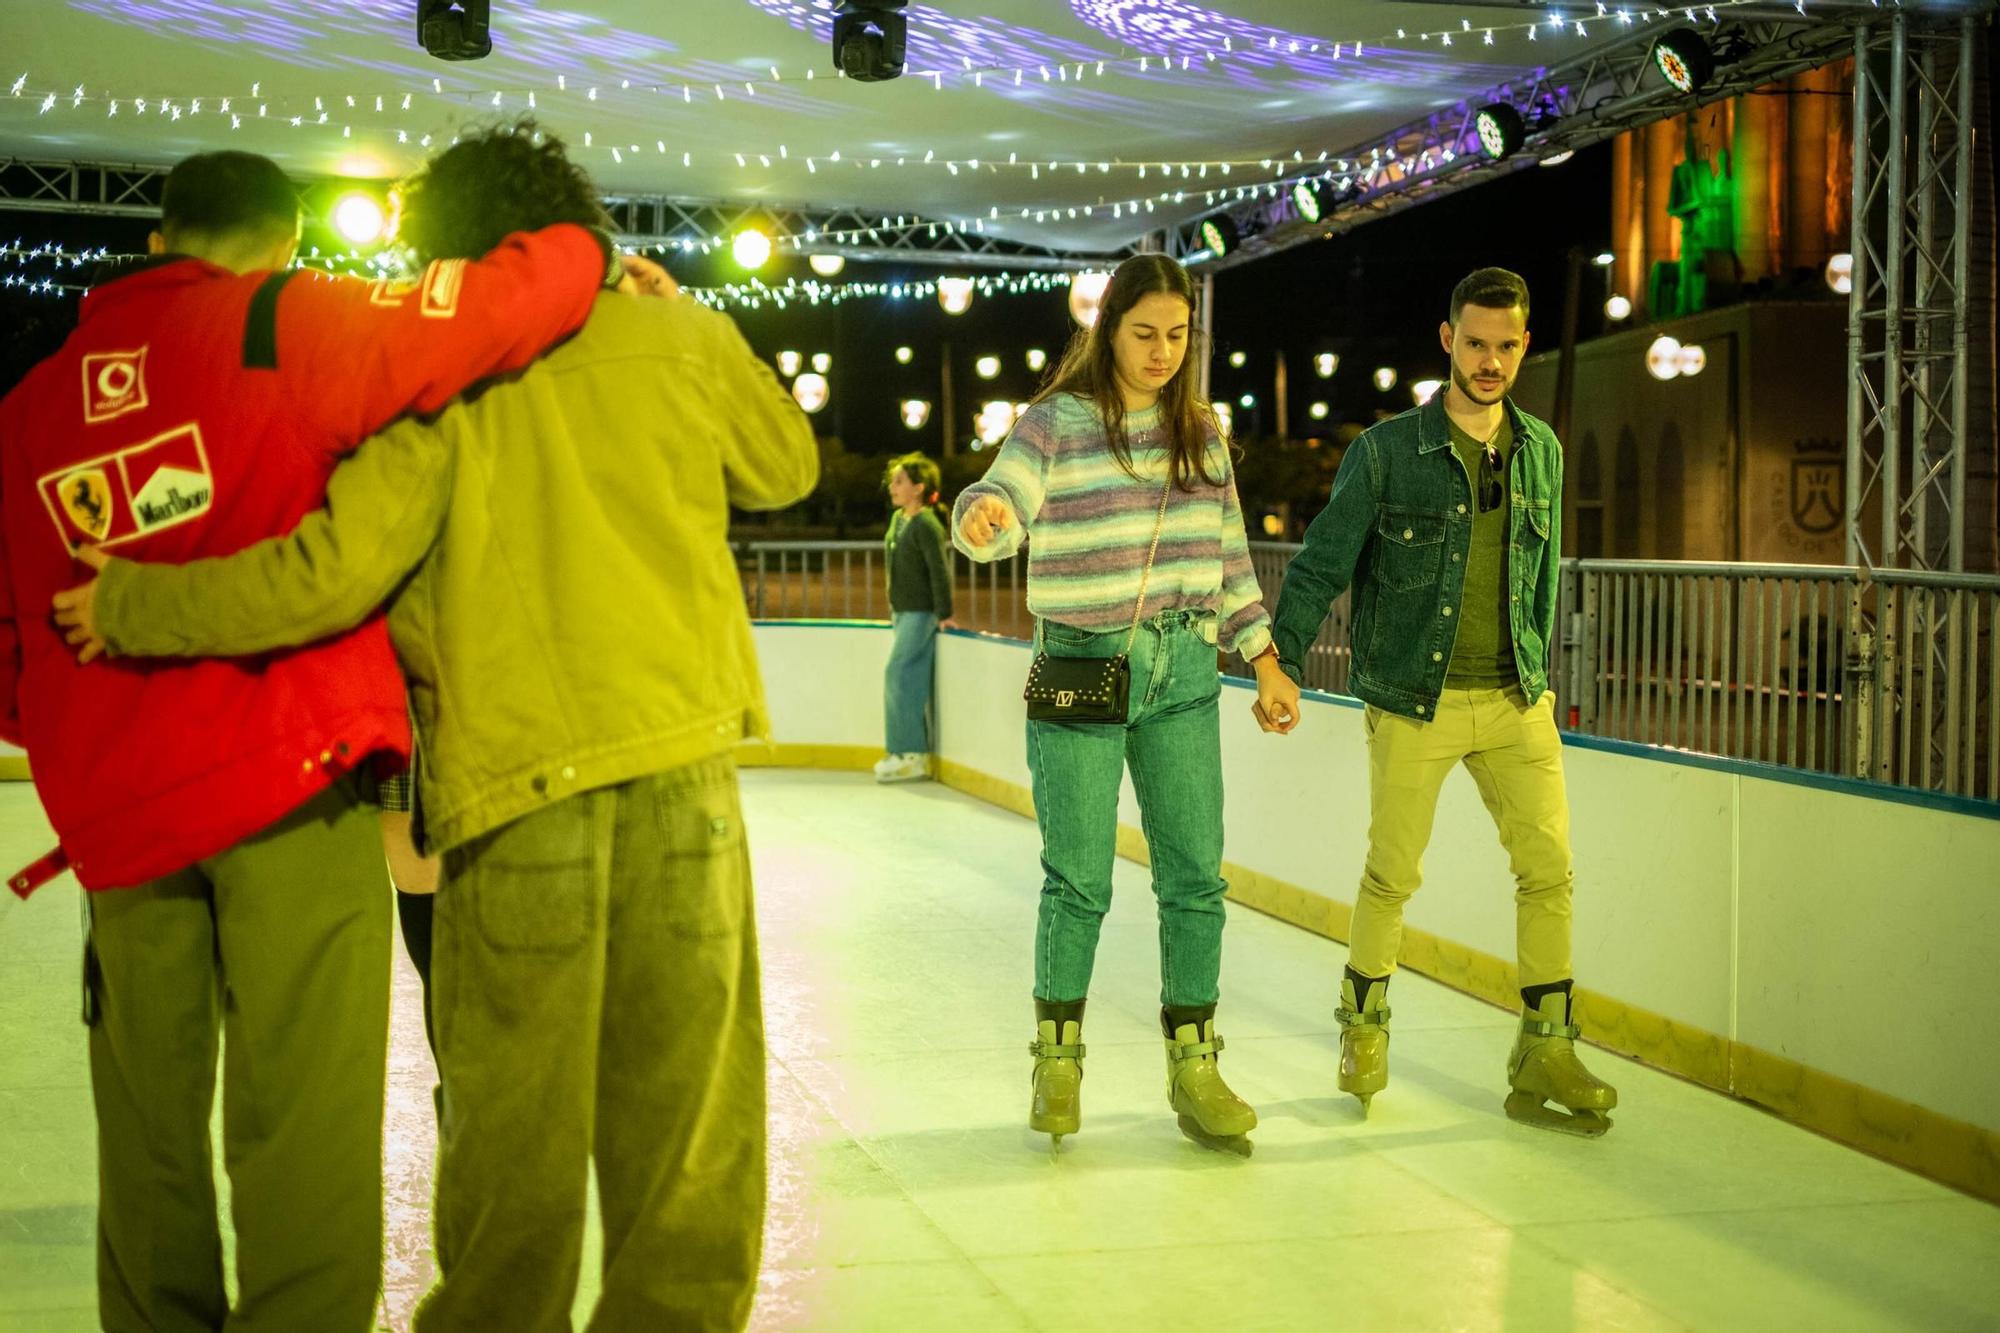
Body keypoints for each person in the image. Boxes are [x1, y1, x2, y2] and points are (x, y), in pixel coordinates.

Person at [59, 123, 819, 1330]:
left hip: (514, 790)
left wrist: (135, 603)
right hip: (686, 771)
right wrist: (692, 315)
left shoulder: (437, 387)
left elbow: (326, 572)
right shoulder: (678, 337)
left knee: (511, 1128)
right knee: (689, 1129)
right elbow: (782, 464)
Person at [0, 148, 619, 1329]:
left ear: (155, 242)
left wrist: (99, 739)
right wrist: (589, 243)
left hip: (122, 825)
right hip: (288, 785)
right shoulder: (287, 325)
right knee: (305, 1115)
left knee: (144, 1129)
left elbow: (5, 644)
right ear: (284, 241)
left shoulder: (29, 408)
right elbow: (510, 299)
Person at [953, 253, 1297, 1156]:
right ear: (1108, 330)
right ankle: (1058, 1061)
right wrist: (984, 518)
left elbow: (1230, 560)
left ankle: (1196, 1065)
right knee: (1081, 876)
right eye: (1144, 332)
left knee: (1196, 877)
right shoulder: (1057, 422)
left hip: (1184, 669)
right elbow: (1005, 495)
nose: (1161, 351)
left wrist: (1263, 657)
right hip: (1082, 661)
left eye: (1178, 335)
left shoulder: (1202, 435)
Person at [1265, 267, 1617, 1136]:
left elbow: (1547, 571)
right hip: (1413, 697)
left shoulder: (1542, 450)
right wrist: (1280, 660)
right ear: (1447, 338)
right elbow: (1322, 561)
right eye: (1475, 343)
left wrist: (1537, 672)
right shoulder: (1386, 453)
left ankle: (1545, 1045)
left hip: (1515, 698)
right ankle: (1363, 1026)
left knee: (1550, 871)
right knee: (1393, 873)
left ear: (1523, 345)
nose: (1490, 361)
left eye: (1506, 345)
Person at [874, 451, 957, 783]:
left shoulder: (926, 523)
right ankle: (901, 751)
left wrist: (944, 613)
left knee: (898, 673)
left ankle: (912, 753)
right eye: (893, 480)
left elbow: (939, 571)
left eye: (899, 481)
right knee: (903, 676)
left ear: (918, 488)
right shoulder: (899, 519)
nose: (892, 486)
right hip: (902, 611)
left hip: (921, 613)